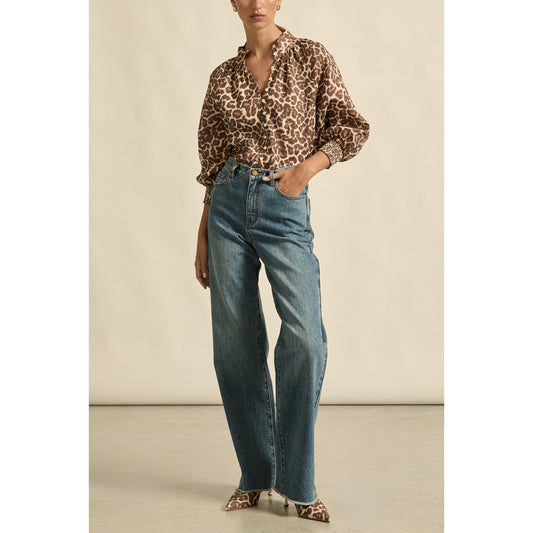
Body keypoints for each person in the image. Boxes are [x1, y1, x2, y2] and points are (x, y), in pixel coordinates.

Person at [194, 0, 370, 523]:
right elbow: (211, 160)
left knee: (306, 339)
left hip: (284, 206)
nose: (255, 4)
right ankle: (255, 474)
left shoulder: (311, 57)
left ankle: (299, 482)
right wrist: (203, 233)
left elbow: (351, 128)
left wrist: (306, 170)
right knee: (234, 343)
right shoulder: (222, 76)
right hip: (226, 207)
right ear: (233, 2)